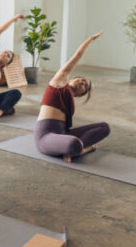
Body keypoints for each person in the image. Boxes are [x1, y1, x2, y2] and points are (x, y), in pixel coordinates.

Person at [34, 31, 110, 163]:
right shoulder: (58, 82)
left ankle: (75, 149)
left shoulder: (69, 101)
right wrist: (90, 39)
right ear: (71, 79)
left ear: (79, 95)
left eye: (84, 87)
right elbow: (77, 56)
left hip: (63, 134)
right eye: (81, 80)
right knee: (74, 143)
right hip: (45, 137)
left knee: (104, 127)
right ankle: (83, 149)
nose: (82, 83)